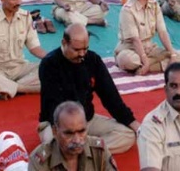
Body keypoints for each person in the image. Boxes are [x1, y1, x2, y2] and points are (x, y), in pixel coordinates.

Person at [38, 24, 140, 154]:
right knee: (52, 147)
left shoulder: (93, 60)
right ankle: (87, 150)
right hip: (57, 124)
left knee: (128, 135)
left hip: (86, 120)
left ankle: (79, 151)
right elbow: (53, 107)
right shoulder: (49, 64)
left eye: (85, 49)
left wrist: (135, 125)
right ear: (64, 43)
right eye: (76, 50)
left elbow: (111, 97)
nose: (82, 54)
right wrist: (71, 133)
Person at [115, 0, 180, 74]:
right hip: (131, 49)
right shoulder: (127, 10)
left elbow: (162, 32)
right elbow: (135, 40)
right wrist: (144, 59)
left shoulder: (154, 5)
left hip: (150, 49)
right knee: (128, 61)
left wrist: (173, 54)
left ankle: (144, 68)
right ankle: (156, 63)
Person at [29, 101, 116, 171]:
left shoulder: (99, 151)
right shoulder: (40, 161)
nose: (77, 140)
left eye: (81, 131)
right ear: (55, 131)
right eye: (69, 133)